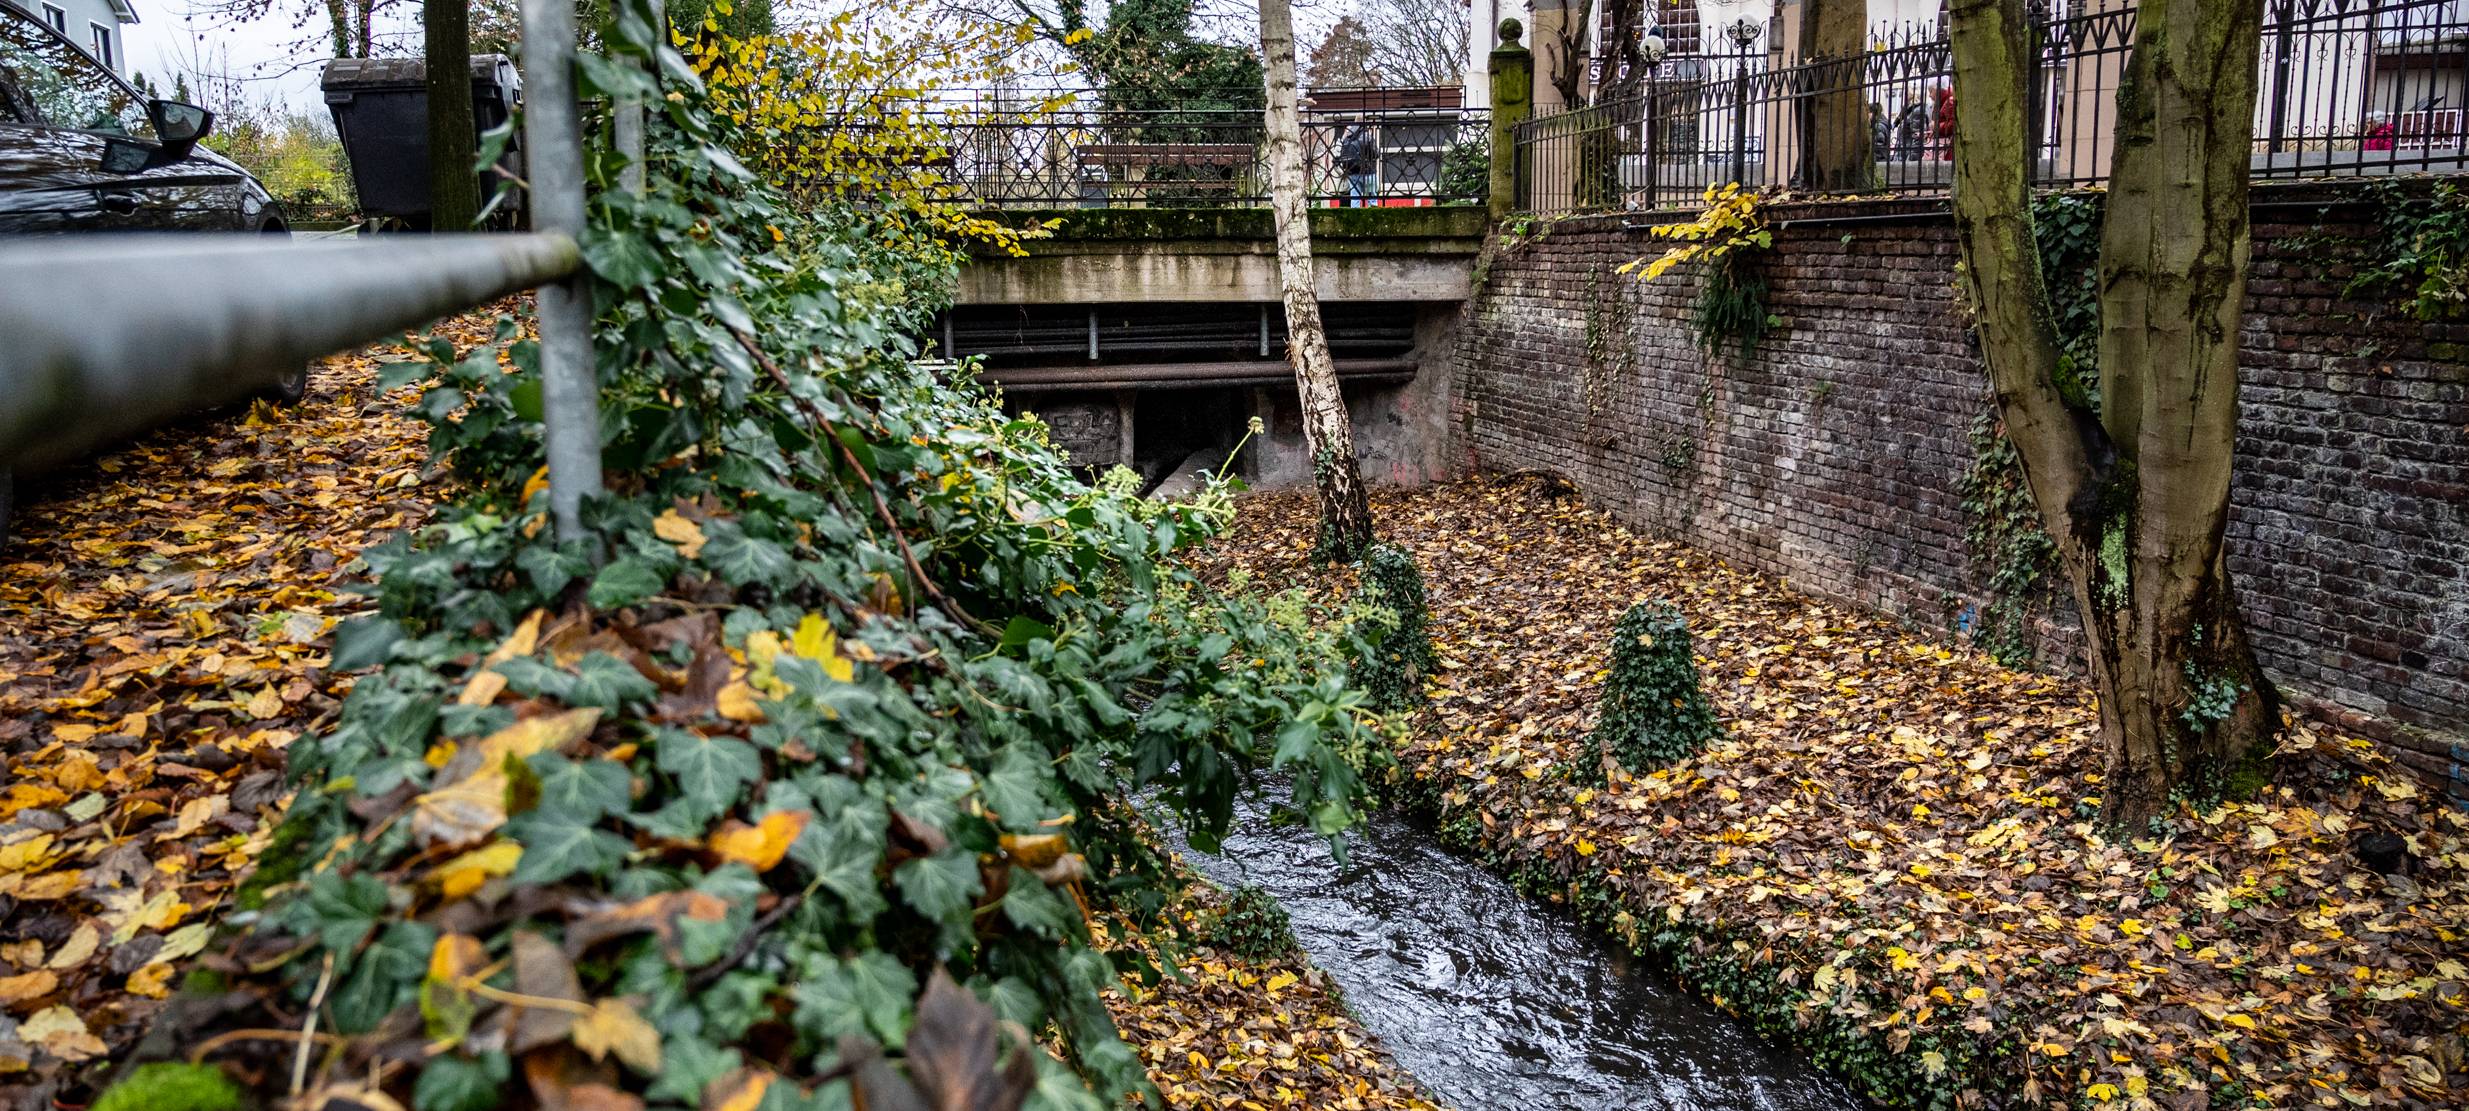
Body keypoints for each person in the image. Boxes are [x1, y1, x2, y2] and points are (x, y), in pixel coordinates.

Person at [1337, 124, 1378, 207]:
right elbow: (1375, 154)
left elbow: (1341, 154)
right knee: (1371, 198)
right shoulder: (1367, 136)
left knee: (1355, 198)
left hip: (1352, 172)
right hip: (1367, 171)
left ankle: (1354, 217)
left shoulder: (1347, 137)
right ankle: (1374, 217)